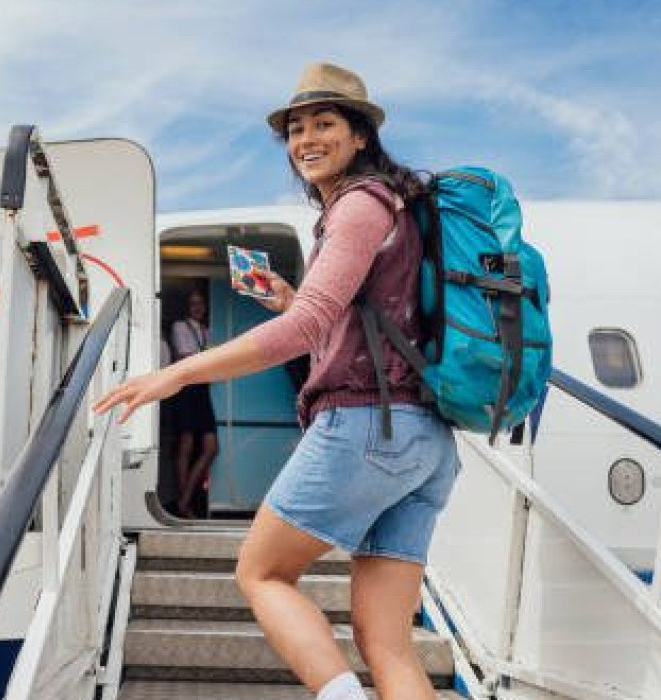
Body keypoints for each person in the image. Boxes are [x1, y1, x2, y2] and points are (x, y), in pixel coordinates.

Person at [95, 62, 460, 700]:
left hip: (365, 427)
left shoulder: (359, 206)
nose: (306, 139)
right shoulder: (398, 210)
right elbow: (341, 318)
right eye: (296, 129)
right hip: (425, 441)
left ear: (360, 138)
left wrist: (176, 373)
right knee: (388, 644)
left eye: (325, 124)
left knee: (261, 573)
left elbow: (305, 332)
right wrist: (295, 300)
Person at [167, 287, 218, 519]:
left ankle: (183, 501)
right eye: (193, 303)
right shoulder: (180, 326)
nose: (198, 307)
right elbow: (184, 356)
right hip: (187, 389)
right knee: (186, 445)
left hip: (203, 389)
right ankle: (185, 505)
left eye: (201, 303)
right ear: (187, 307)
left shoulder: (207, 330)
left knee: (211, 448)